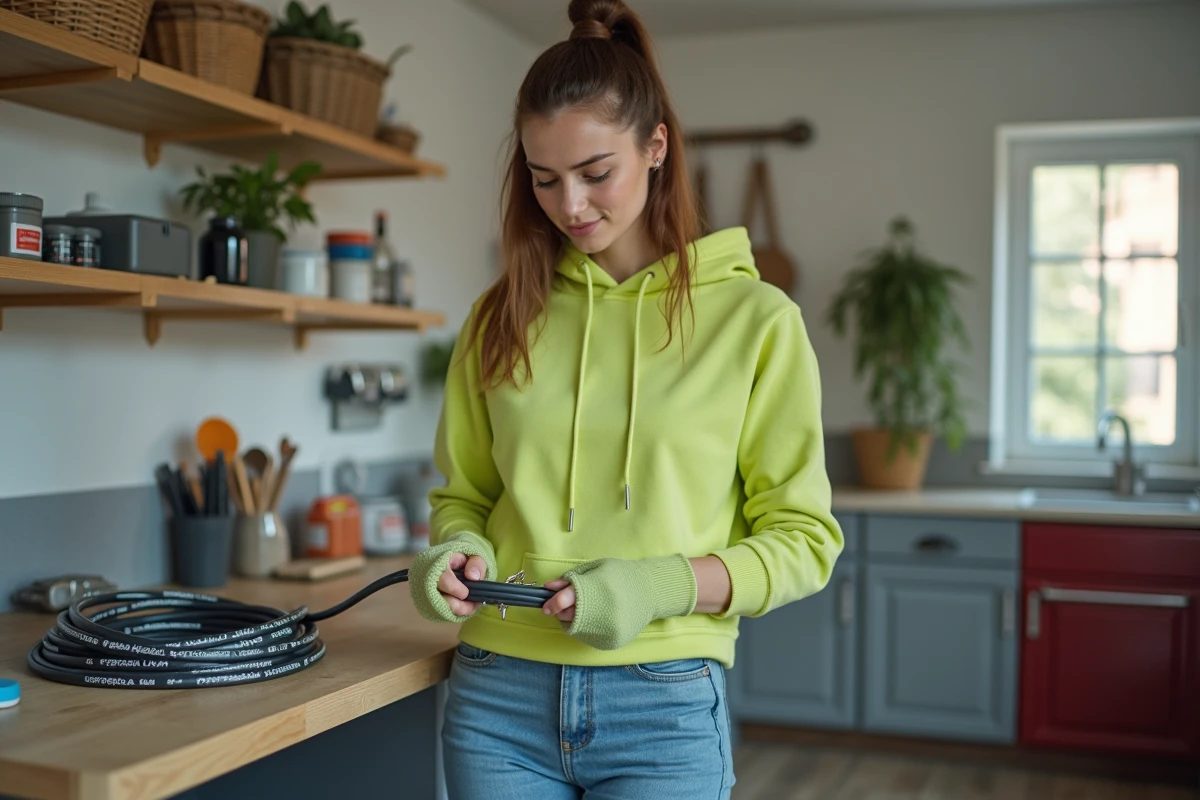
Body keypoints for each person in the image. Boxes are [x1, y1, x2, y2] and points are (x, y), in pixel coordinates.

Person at [409, 0, 843, 797]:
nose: (569, 206)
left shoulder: (756, 322)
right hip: (497, 695)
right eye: (544, 179)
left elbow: (804, 541)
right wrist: (451, 554)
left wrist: (659, 584)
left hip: (664, 705)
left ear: (655, 148)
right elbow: (463, 497)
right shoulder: (499, 315)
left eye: (594, 174)